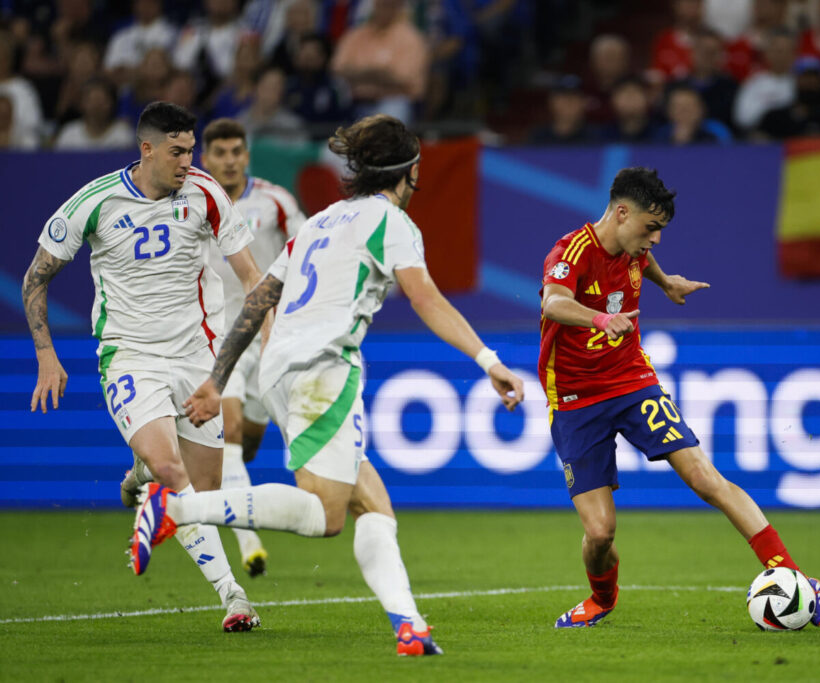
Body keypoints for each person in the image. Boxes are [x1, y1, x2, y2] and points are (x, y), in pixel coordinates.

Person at [128, 114, 525, 656]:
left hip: (280, 369)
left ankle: (410, 627)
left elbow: (260, 297)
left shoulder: (320, 221)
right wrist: (488, 359)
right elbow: (426, 297)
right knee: (327, 515)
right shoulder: (392, 224)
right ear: (405, 173)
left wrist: (218, 379)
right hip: (326, 368)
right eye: (414, 173)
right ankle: (174, 509)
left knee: (374, 506)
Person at [537, 167, 820, 629]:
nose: (655, 240)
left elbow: (639, 261)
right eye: (650, 228)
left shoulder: (635, 250)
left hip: (632, 381)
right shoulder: (570, 251)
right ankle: (601, 599)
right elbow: (552, 302)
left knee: (704, 477)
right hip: (575, 399)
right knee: (599, 532)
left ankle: (791, 574)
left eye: (661, 231)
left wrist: (666, 282)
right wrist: (597, 320)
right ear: (620, 213)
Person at [23, 101, 266, 632]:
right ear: (147, 149)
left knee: (200, 500)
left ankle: (140, 474)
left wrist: (265, 339)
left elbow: (252, 276)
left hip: (196, 360)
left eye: (191, 149)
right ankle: (235, 597)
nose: (189, 161)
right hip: (129, 355)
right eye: (178, 151)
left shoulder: (206, 193)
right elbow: (35, 277)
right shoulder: (94, 201)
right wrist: (46, 353)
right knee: (172, 472)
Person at [201, 116, 307, 576]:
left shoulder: (275, 200)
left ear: (247, 155)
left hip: (268, 334)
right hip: (215, 336)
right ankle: (249, 543)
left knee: (245, 445)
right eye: (219, 153)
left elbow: (306, 252)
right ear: (206, 158)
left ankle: (220, 481)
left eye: (236, 152)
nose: (228, 161)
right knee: (229, 429)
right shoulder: (190, 203)